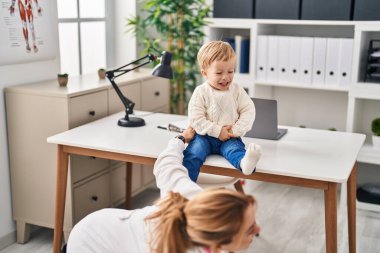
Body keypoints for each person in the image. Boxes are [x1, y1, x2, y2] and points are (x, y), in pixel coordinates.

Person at [67, 128, 260, 253]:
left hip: (108, 224)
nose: (258, 230)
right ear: (219, 242)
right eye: (250, 229)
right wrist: (181, 139)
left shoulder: (191, 197)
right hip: (89, 242)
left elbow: (167, 167)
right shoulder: (161, 247)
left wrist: (181, 139)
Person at [184, 40, 262, 182]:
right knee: (193, 155)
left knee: (235, 151)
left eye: (230, 71)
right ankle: (186, 187)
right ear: (205, 73)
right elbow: (195, 119)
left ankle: (245, 164)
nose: (225, 77)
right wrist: (217, 131)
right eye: (219, 73)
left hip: (229, 137)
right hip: (204, 137)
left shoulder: (237, 90)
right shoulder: (201, 92)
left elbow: (248, 110)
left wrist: (234, 130)